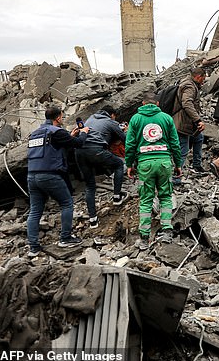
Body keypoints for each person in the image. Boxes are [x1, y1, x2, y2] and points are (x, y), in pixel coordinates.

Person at [26, 105, 90, 256]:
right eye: (62, 116)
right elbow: (79, 144)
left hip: (31, 176)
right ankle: (65, 238)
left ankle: (33, 248)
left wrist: (70, 136)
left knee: (35, 211)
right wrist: (83, 133)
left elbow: (52, 147)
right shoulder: (57, 131)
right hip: (49, 175)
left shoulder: (35, 133)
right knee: (67, 203)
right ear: (58, 118)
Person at [125, 91, 182, 249]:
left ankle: (144, 238)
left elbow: (129, 144)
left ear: (142, 104)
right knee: (165, 196)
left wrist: (129, 164)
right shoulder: (166, 118)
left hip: (145, 164)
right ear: (157, 104)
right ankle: (166, 231)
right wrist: (178, 164)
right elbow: (175, 144)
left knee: (146, 200)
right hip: (164, 163)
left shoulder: (136, 119)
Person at [75, 105, 128, 229]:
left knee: (90, 185)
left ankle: (93, 220)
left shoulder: (90, 119)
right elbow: (125, 139)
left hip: (79, 152)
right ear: (112, 114)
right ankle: (117, 197)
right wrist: (126, 130)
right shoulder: (110, 121)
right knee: (119, 164)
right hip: (96, 150)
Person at [172, 66, 207, 183]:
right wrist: (198, 120)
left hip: (188, 122)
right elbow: (187, 104)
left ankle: (197, 165)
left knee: (199, 138)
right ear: (198, 77)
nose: (204, 81)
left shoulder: (189, 83)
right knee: (183, 149)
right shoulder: (189, 86)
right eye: (203, 79)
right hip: (182, 122)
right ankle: (176, 178)